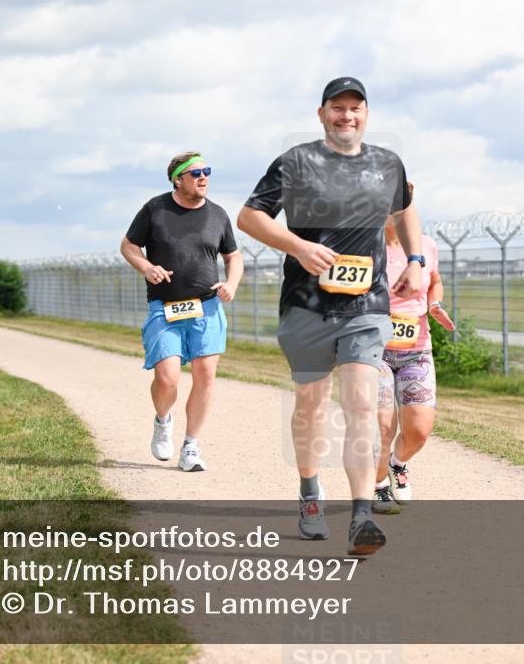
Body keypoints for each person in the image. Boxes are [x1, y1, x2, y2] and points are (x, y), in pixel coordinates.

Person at [237, 77, 422, 555]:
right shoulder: (295, 162)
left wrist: (416, 261)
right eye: (337, 107)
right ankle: (309, 493)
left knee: (361, 405)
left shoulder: (387, 164)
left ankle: (361, 516)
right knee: (312, 407)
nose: (346, 115)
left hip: (367, 305)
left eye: (355, 108)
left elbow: (406, 211)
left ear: (367, 114)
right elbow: (249, 217)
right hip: (307, 305)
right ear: (321, 114)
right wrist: (298, 246)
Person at [120, 151, 243, 472]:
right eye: (196, 173)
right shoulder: (155, 209)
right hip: (166, 308)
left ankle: (191, 446)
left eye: (207, 171)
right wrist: (147, 267)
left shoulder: (218, 214)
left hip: (207, 307)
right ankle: (163, 421)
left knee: (206, 375)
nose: (203, 177)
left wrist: (231, 283)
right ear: (178, 179)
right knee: (167, 378)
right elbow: (129, 246)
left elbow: (233, 256)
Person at [373, 185, 455, 514]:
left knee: (419, 430)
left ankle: (398, 463)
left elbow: (435, 280)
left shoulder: (426, 246)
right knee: (382, 426)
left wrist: (434, 304)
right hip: (373, 350)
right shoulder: (363, 247)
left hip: (416, 350)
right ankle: (378, 486)